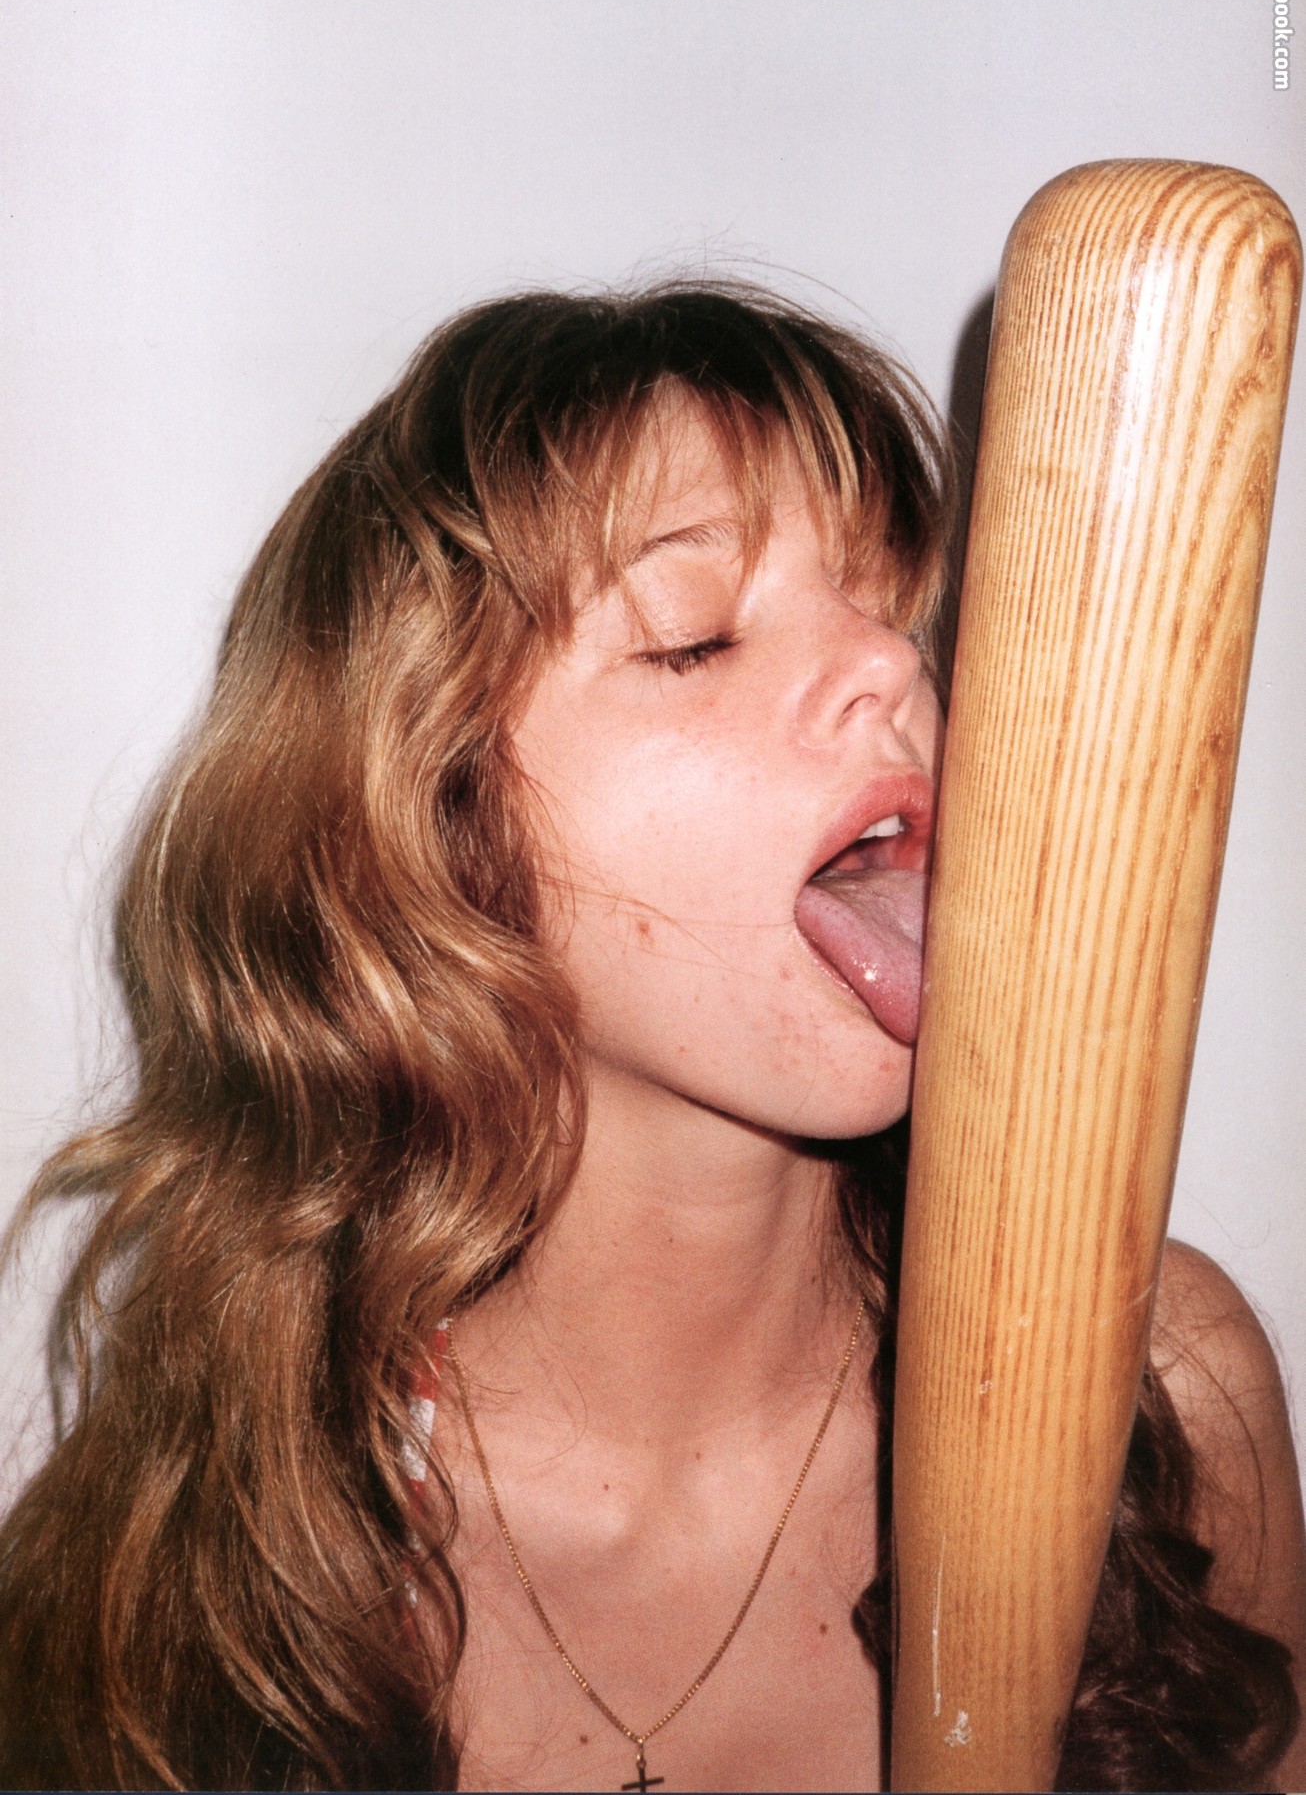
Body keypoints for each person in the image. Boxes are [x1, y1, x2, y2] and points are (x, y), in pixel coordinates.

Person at [0, 283, 1302, 1793]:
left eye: (896, 610)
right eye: (694, 638)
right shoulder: (197, 1582)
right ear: (436, 826)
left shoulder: (1156, 1383)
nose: (894, 668)